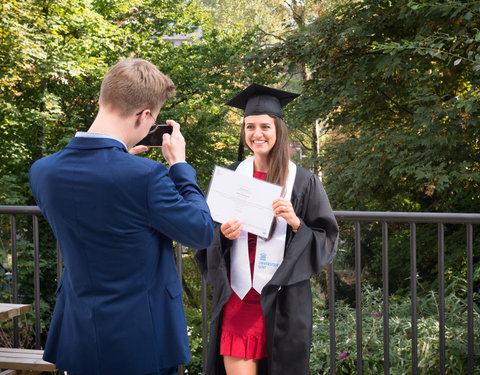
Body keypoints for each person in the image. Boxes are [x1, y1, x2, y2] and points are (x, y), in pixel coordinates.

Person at [29, 58, 214, 375]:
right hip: (142, 340)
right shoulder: (146, 176)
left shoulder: (43, 171)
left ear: (101, 99)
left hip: (78, 336)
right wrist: (180, 167)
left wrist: (119, 163)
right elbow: (201, 231)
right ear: (145, 117)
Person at [195, 83, 339, 375]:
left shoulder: (302, 182)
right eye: (249, 127)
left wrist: (297, 223)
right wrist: (221, 235)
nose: (256, 134)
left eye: (264, 126)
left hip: (282, 299)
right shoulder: (232, 178)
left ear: (278, 130)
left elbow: (327, 238)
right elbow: (204, 233)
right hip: (238, 297)